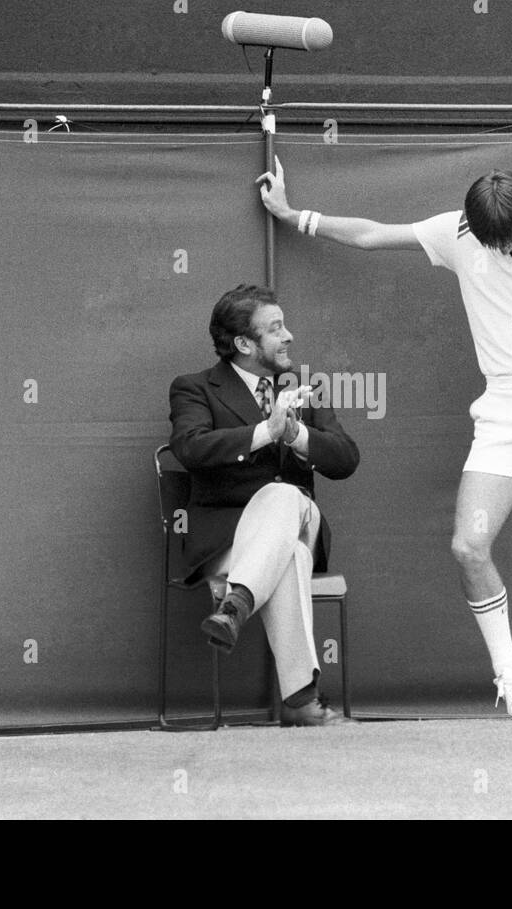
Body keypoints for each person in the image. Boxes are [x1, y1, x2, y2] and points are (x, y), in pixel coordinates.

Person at [256, 160, 512, 719]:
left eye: (510, 237)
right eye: (489, 240)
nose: (500, 247)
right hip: (501, 410)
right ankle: (510, 677)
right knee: (468, 546)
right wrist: (294, 214)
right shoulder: (456, 232)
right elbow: (372, 235)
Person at [169, 284, 360, 726]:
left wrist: (296, 436)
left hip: (301, 524)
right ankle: (301, 702)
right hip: (229, 541)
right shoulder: (195, 389)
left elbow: (346, 460)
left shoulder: (304, 388)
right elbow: (191, 448)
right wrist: (266, 432)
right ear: (243, 344)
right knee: (287, 553)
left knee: (285, 495)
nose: (289, 335)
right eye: (275, 328)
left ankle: (237, 603)